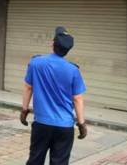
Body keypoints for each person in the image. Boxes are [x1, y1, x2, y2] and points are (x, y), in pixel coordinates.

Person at [20, 26, 87, 165]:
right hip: (64, 126)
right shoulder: (73, 70)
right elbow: (77, 98)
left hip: (42, 124)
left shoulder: (36, 63)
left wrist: (24, 110)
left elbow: (28, 87)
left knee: (35, 160)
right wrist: (81, 124)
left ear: (52, 44)